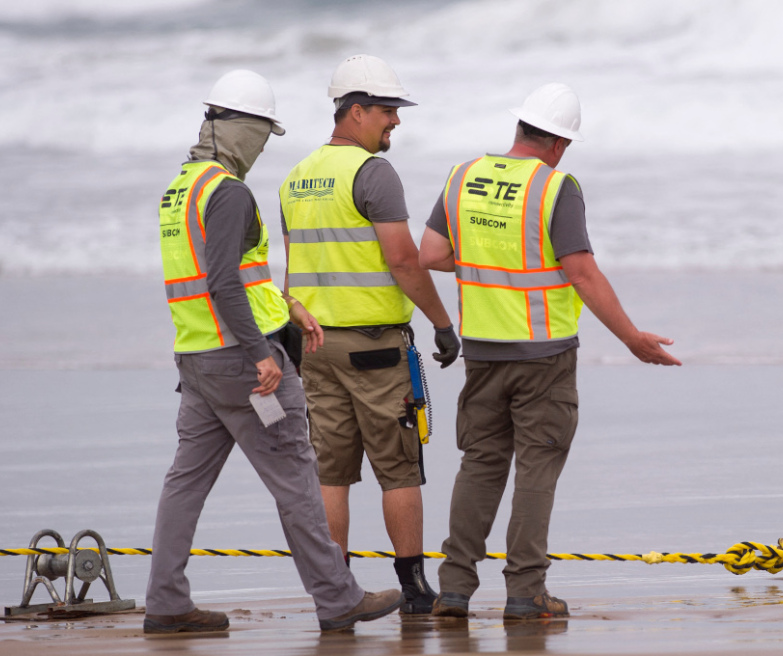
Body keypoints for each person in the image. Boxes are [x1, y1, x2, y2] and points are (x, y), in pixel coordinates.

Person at [148, 69, 402, 634]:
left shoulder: (179, 189)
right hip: (247, 365)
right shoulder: (229, 192)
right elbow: (222, 282)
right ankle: (339, 599)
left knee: (184, 484)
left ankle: (165, 601)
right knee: (296, 480)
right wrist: (263, 352)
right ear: (238, 129)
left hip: (196, 360)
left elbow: (230, 277)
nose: (262, 149)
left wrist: (288, 308)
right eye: (262, 136)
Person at [418, 83, 682, 620]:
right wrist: (631, 337)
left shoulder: (463, 177)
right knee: (537, 467)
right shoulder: (556, 187)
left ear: (519, 128)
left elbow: (431, 253)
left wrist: (486, 261)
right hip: (543, 355)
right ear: (560, 142)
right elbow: (581, 271)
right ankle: (525, 591)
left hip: (482, 351)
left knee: (480, 465)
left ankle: (453, 589)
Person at [279, 54, 460, 615]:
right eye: (387, 110)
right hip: (375, 348)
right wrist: (442, 323)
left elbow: (293, 272)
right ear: (354, 112)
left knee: (331, 470)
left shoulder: (296, 177)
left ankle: (336, 591)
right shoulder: (371, 172)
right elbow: (404, 260)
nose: (395, 122)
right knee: (399, 465)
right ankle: (413, 589)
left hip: (312, 346)